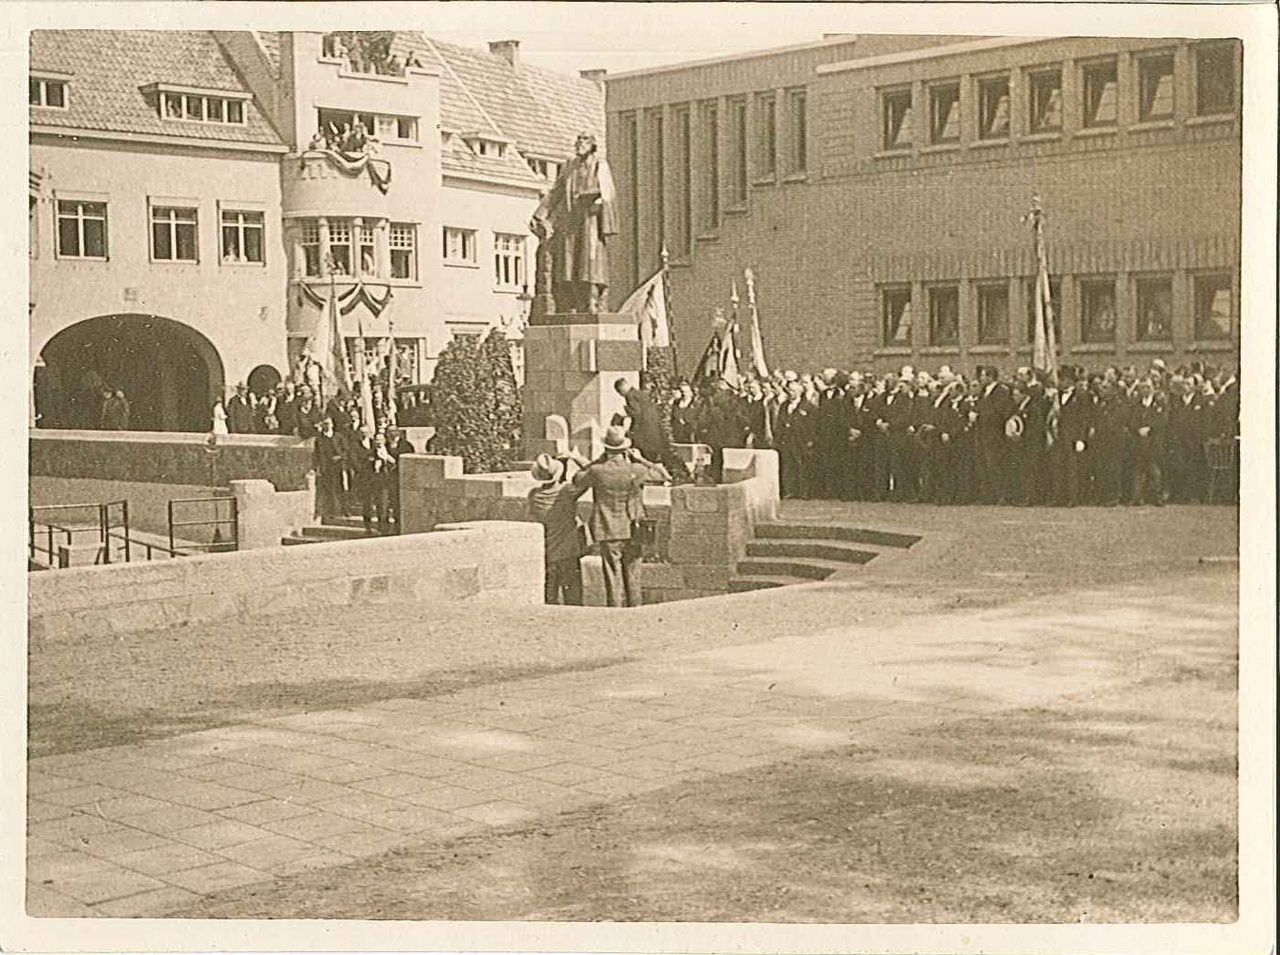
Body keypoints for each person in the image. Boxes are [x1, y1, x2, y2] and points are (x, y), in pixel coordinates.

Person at [572, 425, 668, 608]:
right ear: (626, 449)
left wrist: (597, 461)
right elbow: (663, 475)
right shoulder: (637, 469)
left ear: (606, 448)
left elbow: (577, 479)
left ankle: (614, 611)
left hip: (608, 528)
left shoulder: (597, 471)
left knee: (612, 574)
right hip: (634, 526)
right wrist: (642, 459)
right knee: (633, 576)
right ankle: (635, 609)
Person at [529, 131, 617, 314]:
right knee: (569, 264)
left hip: (590, 219)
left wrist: (590, 197)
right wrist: (540, 214)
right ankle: (575, 304)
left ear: (592, 144)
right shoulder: (570, 166)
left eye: (585, 140)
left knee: (590, 263)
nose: (580, 143)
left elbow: (607, 192)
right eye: (578, 140)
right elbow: (556, 191)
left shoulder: (600, 164)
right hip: (571, 220)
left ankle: (593, 302)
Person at [527, 451, 590, 605]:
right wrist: (576, 457)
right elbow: (591, 475)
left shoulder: (534, 495)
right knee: (573, 597)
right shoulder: (567, 492)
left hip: (547, 552)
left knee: (549, 597)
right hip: (568, 551)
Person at [313, 417, 345, 519]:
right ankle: (328, 511)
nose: (327, 426)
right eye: (325, 424)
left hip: (338, 466)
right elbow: (317, 454)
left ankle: (340, 510)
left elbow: (346, 450)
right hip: (325, 466)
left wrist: (340, 457)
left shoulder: (338, 436)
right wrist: (317, 467)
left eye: (328, 423)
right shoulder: (319, 439)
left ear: (332, 424)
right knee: (327, 488)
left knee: (338, 487)